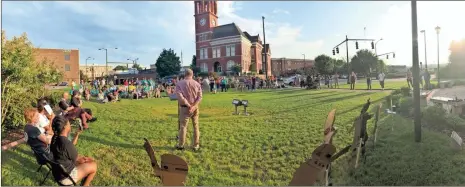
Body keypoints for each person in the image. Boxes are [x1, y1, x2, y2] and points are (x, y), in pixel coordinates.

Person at [50, 115, 97, 186]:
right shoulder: (66, 144)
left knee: (84, 160)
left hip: (57, 172)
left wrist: (77, 134)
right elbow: (79, 160)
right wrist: (90, 159)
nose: (70, 124)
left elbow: (70, 147)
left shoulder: (55, 137)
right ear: (65, 127)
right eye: (69, 123)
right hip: (65, 177)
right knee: (94, 166)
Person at [175, 69, 202, 151]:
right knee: (195, 126)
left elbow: (180, 97)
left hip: (185, 108)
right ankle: (196, 145)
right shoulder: (197, 84)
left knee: (183, 126)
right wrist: (194, 106)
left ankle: (181, 145)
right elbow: (200, 97)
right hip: (195, 108)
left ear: (184, 74)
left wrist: (188, 105)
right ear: (192, 74)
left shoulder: (179, 83)